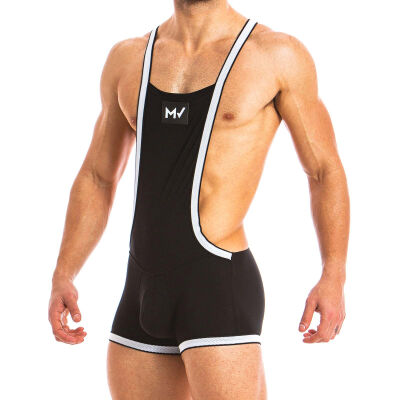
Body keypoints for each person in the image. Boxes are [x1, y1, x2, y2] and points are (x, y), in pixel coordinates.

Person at [48, 0, 349, 398]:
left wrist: (333, 275)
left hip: (217, 286)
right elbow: (98, 177)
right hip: (140, 289)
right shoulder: (128, 58)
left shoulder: (274, 54)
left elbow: (324, 171)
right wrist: (64, 273)